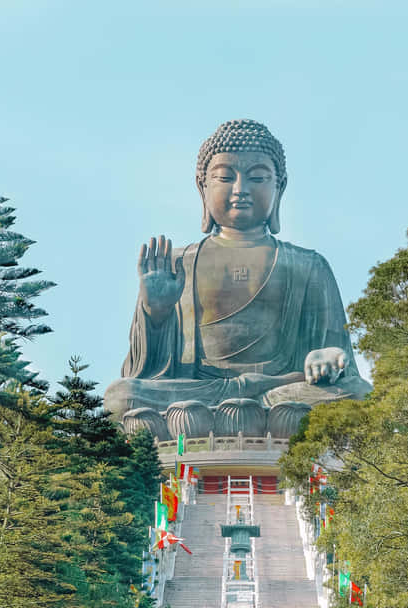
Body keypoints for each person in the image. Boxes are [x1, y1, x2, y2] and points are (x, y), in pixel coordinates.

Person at [104, 119, 371, 422]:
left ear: (279, 187)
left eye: (257, 178)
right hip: (200, 394)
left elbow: (338, 358)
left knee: (356, 394)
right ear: (201, 186)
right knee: (120, 396)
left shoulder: (308, 266)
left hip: (281, 392)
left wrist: (325, 357)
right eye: (225, 178)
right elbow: (144, 373)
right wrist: (156, 315)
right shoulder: (177, 264)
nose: (240, 189)